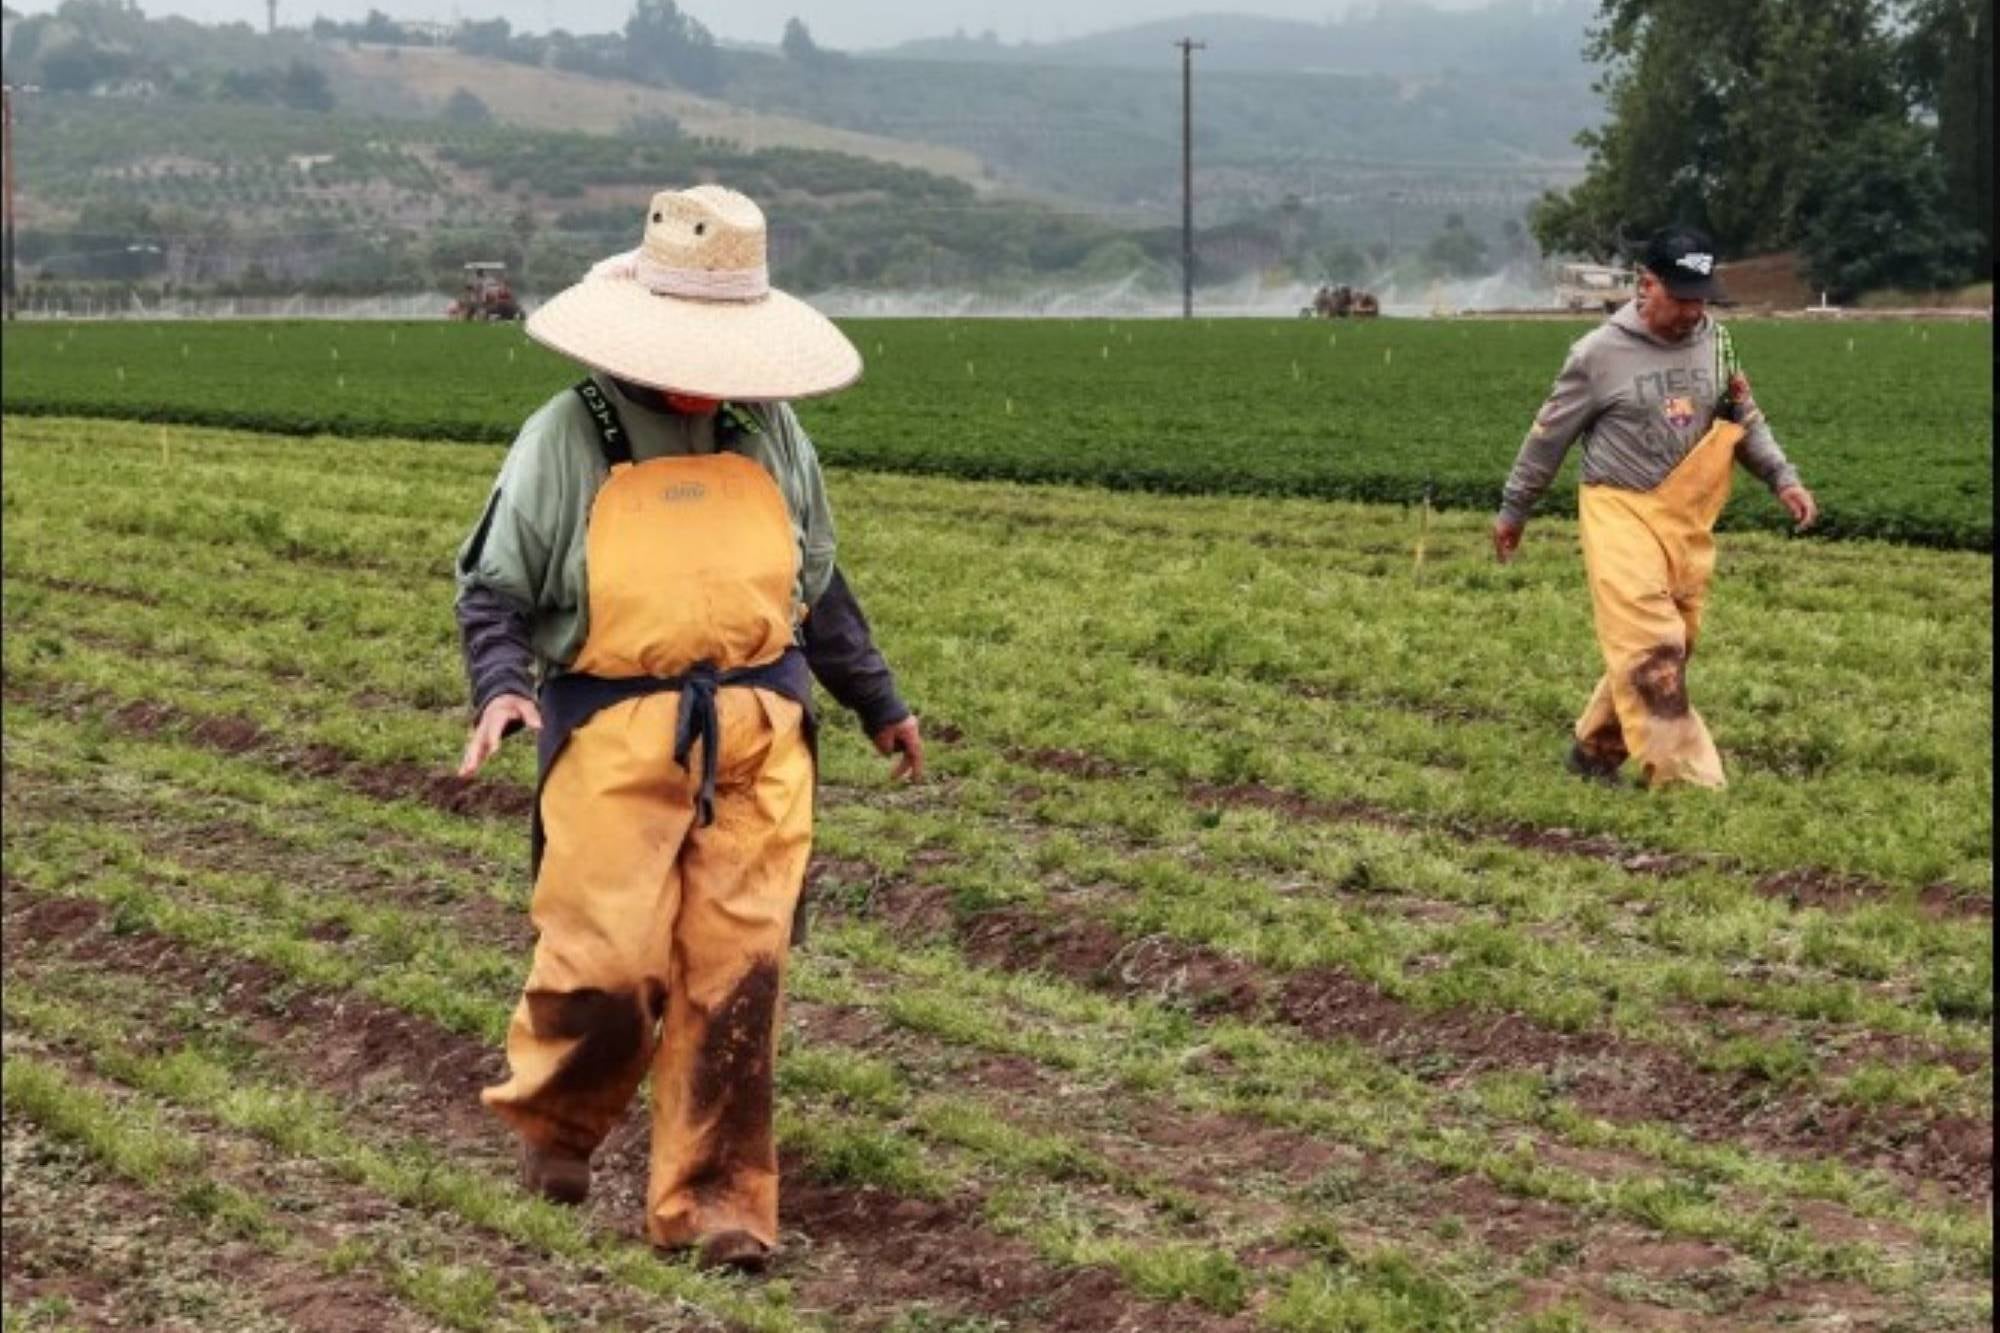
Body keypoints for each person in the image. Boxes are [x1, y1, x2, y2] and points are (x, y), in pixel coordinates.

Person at [451, 185, 923, 1272]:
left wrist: (877, 700)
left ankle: (717, 1206)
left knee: (737, 974)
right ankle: (559, 1118)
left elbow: (818, 584)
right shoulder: (568, 435)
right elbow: (494, 589)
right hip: (615, 733)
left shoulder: (771, 432)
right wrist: (502, 687)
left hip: (761, 731)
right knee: (607, 966)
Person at [1492, 225, 1818, 788]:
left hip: (1687, 514)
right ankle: (1683, 780)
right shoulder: (1597, 354)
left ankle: (1594, 751)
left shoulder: (1718, 343)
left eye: (1702, 297)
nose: (1694, 310)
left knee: (1678, 640)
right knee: (1652, 642)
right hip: (1619, 508)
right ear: (1647, 285)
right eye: (1682, 296)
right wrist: (1515, 508)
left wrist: (1781, 478)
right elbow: (1548, 437)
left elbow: (1743, 415)